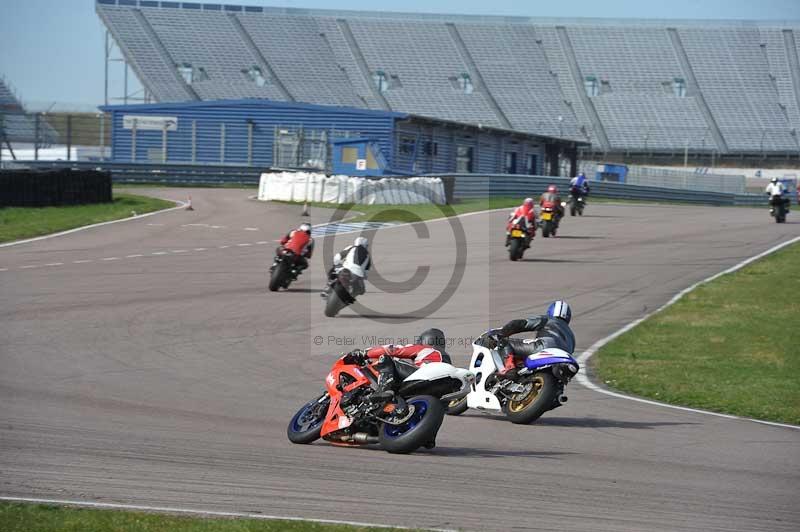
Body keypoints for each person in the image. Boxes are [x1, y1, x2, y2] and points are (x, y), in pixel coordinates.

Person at [342, 328, 450, 400]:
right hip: (439, 390)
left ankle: (384, 389)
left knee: (386, 358)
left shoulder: (426, 349)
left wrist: (364, 353)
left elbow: (393, 350)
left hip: (424, 378)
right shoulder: (445, 358)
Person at [486, 301, 576, 376]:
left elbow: (521, 324)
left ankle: (509, 368)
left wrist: (502, 332)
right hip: (562, 360)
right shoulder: (572, 336)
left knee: (504, 342)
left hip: (544, 346)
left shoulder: (548, 319)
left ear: (550, 311)